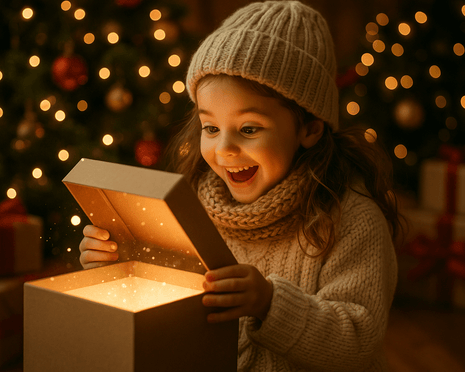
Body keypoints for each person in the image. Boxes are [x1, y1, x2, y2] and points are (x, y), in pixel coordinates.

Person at [79, 1, 402, 370]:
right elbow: (165, 303)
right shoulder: (189, 209)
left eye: (249, 129)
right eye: (211, 128)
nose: (224, 150)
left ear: (310, 128)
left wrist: (270, 303)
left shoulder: (353, 220)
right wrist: (117, 262)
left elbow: (357, 340)